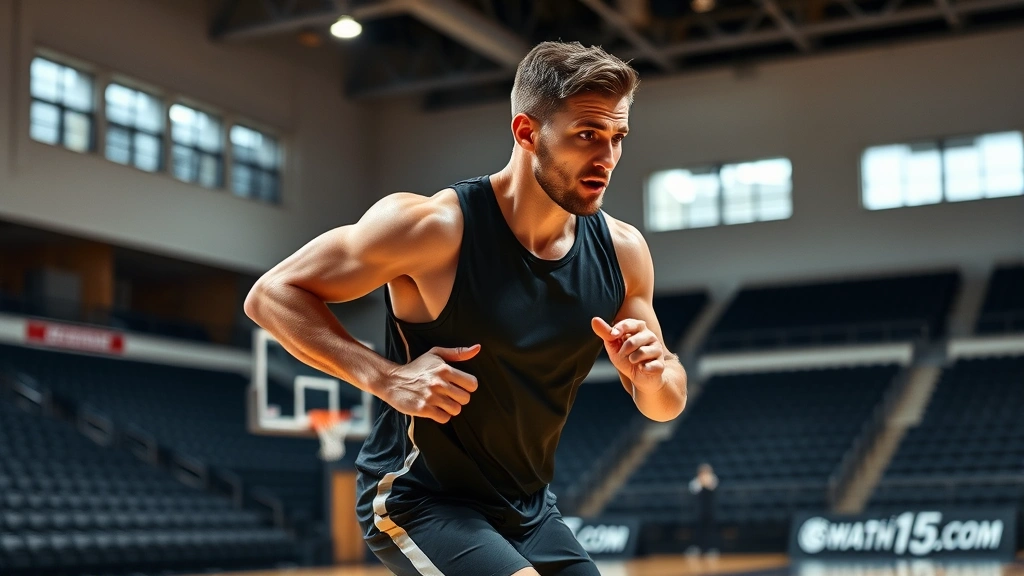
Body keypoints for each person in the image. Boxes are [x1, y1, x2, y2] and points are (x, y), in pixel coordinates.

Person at [244, 40, 688, 576]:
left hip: (527, 510)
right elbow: (271, 294)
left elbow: (664, 404)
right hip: (420, 498)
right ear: (526, 132)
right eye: (587, 136)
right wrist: (386, 378)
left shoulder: (623, 252)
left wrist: (654, 372)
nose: (607, 159)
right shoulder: (435, 228)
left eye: (617, 138)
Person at [687, 462, 719, 558]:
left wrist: (705, 482)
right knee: (698, 530)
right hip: (699, 510)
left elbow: (712, 486)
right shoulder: (695, 481)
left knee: (710, 529)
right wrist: (701, 482)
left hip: (710, 509)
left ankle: (711, 548)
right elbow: (693, 489)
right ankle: (697, 548)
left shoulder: (713, 478)